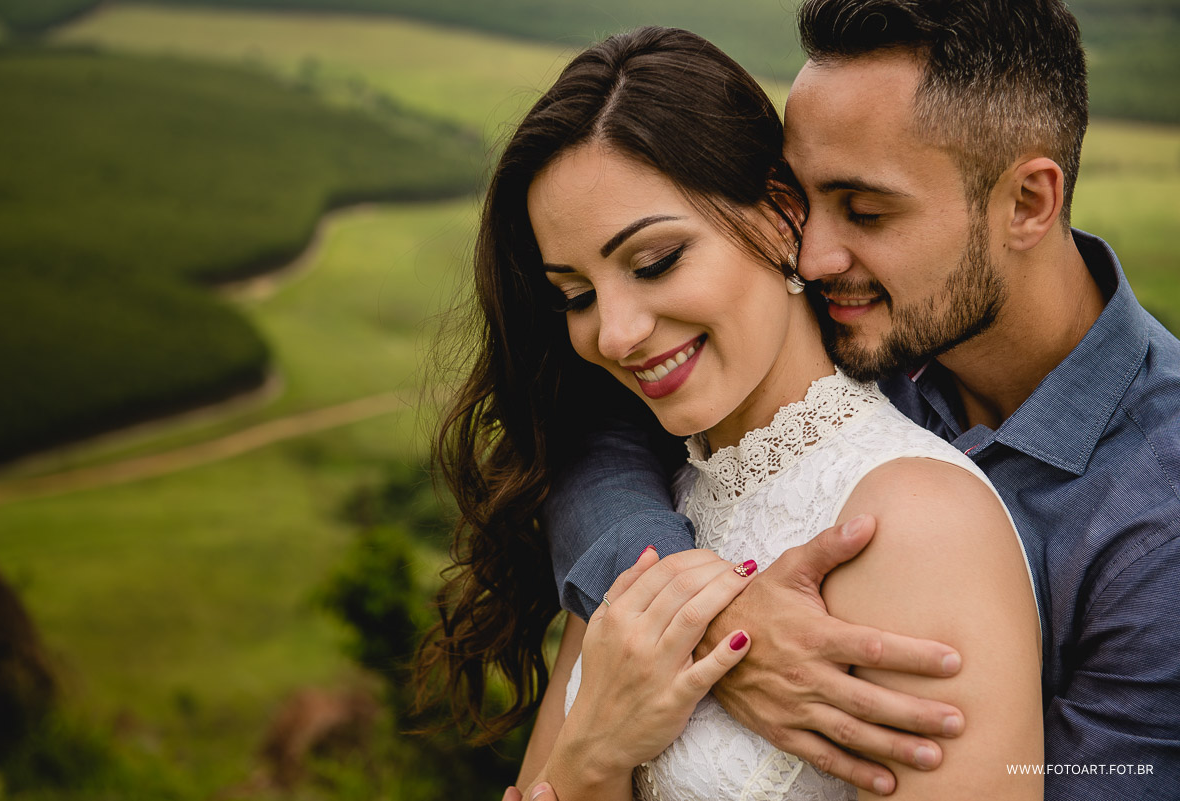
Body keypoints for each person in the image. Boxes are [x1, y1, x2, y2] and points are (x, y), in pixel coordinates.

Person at [540, 0, 1180, 799]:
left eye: (867, 210)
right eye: (801, 198)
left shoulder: (1164, 518)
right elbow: (599, 437)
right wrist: (711, 619)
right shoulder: (851, 311)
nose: (810, 251)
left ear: (1026, 204)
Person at [416, 23, 1042, 801]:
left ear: (781, 215)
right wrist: (594, 755)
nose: (614, 333)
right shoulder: (644, 548)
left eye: (655, 261)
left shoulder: (916, 522)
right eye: (575, 294)